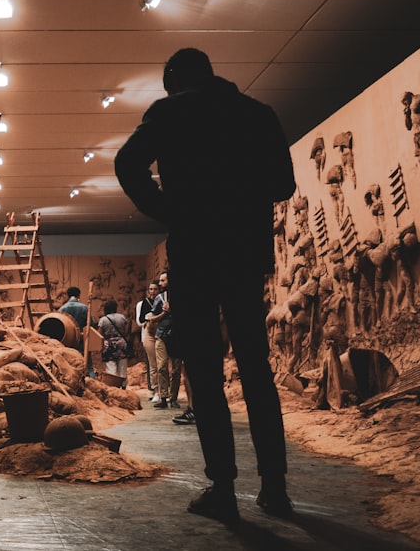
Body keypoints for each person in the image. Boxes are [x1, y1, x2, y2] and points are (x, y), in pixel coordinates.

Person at [115, 47, 297, 523]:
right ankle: (275, 487)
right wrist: (239, 196)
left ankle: (223, 486)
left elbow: (126, 164)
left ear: (174, 79)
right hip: (243, 252)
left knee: (205, 371)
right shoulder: (257, 114)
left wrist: (169, 210)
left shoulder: (170, 111)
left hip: (195, 254)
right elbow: (283, 184)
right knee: (256, 369)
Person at [147, 271, 175, 409]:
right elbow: (153, 314)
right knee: (162, 366)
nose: (160, 283)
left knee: (176, 369)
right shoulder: (160, 297)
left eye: (163, 280)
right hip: (162, 334)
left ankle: (174, 397)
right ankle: (164, 397)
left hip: (177, 334)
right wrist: (162, 313)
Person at [57, 286, 91, 377]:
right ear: (78, 295)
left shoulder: (62, 309)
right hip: (82, 340)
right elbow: (90, 323)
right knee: (87, 364)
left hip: (68, 341)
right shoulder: (84, 308)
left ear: (68, 295)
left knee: (71, 365)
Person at [134, 280, 160, 394]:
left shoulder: (163, 301)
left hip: (162, 334)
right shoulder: (142, 303)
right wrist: (150, 319)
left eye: (155, 289)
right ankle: (153, 389)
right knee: (151, 363)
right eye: (150, 289)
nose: (152, 292)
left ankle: (164, 390)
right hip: (148, 333)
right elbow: (139, 322)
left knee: (162, 364)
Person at [97, 299, 130, 381]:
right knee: (122, 368)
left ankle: (113, 386)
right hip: (121, 344)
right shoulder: (122, 317)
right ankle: (123, 387)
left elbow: (99, 334)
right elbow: (126, 332)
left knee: (111, 368)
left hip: (108, 345)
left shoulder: (103, 320)